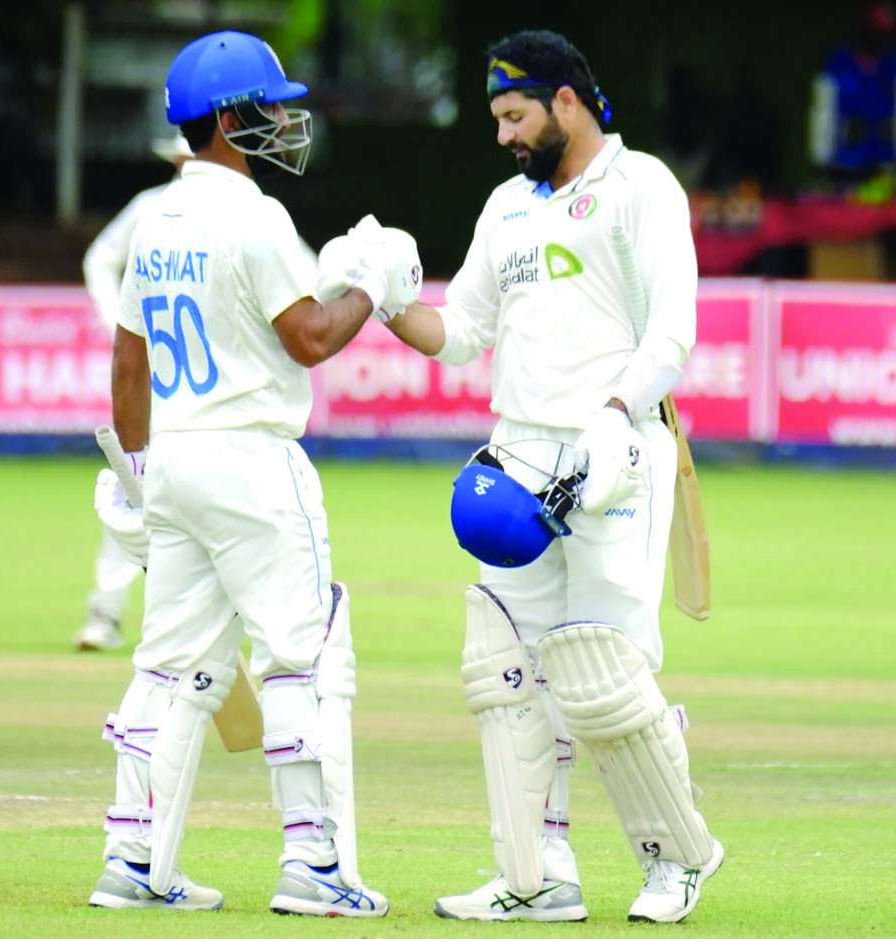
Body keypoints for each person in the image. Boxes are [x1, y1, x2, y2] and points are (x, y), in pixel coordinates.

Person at [330, 29, 722, 923]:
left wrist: (617, 416)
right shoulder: (506, 207)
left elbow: (672, 332)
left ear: (567, 102)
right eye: (498, 119)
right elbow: (459, 334)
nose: (505, 135)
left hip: (614, 454)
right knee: (507, 670)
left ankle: (676, 858)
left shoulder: (640, 186)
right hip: (516, 457)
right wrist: (386, 299)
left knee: (605, 672)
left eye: (516, 116)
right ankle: (537, 873)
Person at [85, 29, 419, 915]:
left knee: (165, 665)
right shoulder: (256, 215)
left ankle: (132, 855)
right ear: (231, 120)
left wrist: (142, 471)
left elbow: (128, 359)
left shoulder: (153, 216)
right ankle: (314, 867)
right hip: (253, 461)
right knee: (301, 657)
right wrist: (374, 287)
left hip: (178, 456)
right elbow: (308, 337)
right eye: (270, 107)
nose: (284, 120)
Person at [74, 134, 193, 652]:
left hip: (219, 385)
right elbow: (99, 259)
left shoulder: (251, 213)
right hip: (156, 380)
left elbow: (303, 282)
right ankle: (105, 610)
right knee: (134, 483)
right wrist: (120, 326)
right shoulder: (150, 208)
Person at [808, 2, 896, 191]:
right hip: (846, 163)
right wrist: (821, 155)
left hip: (886, 160)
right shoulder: (837, 63)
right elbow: (823, 109)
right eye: (875, 32)